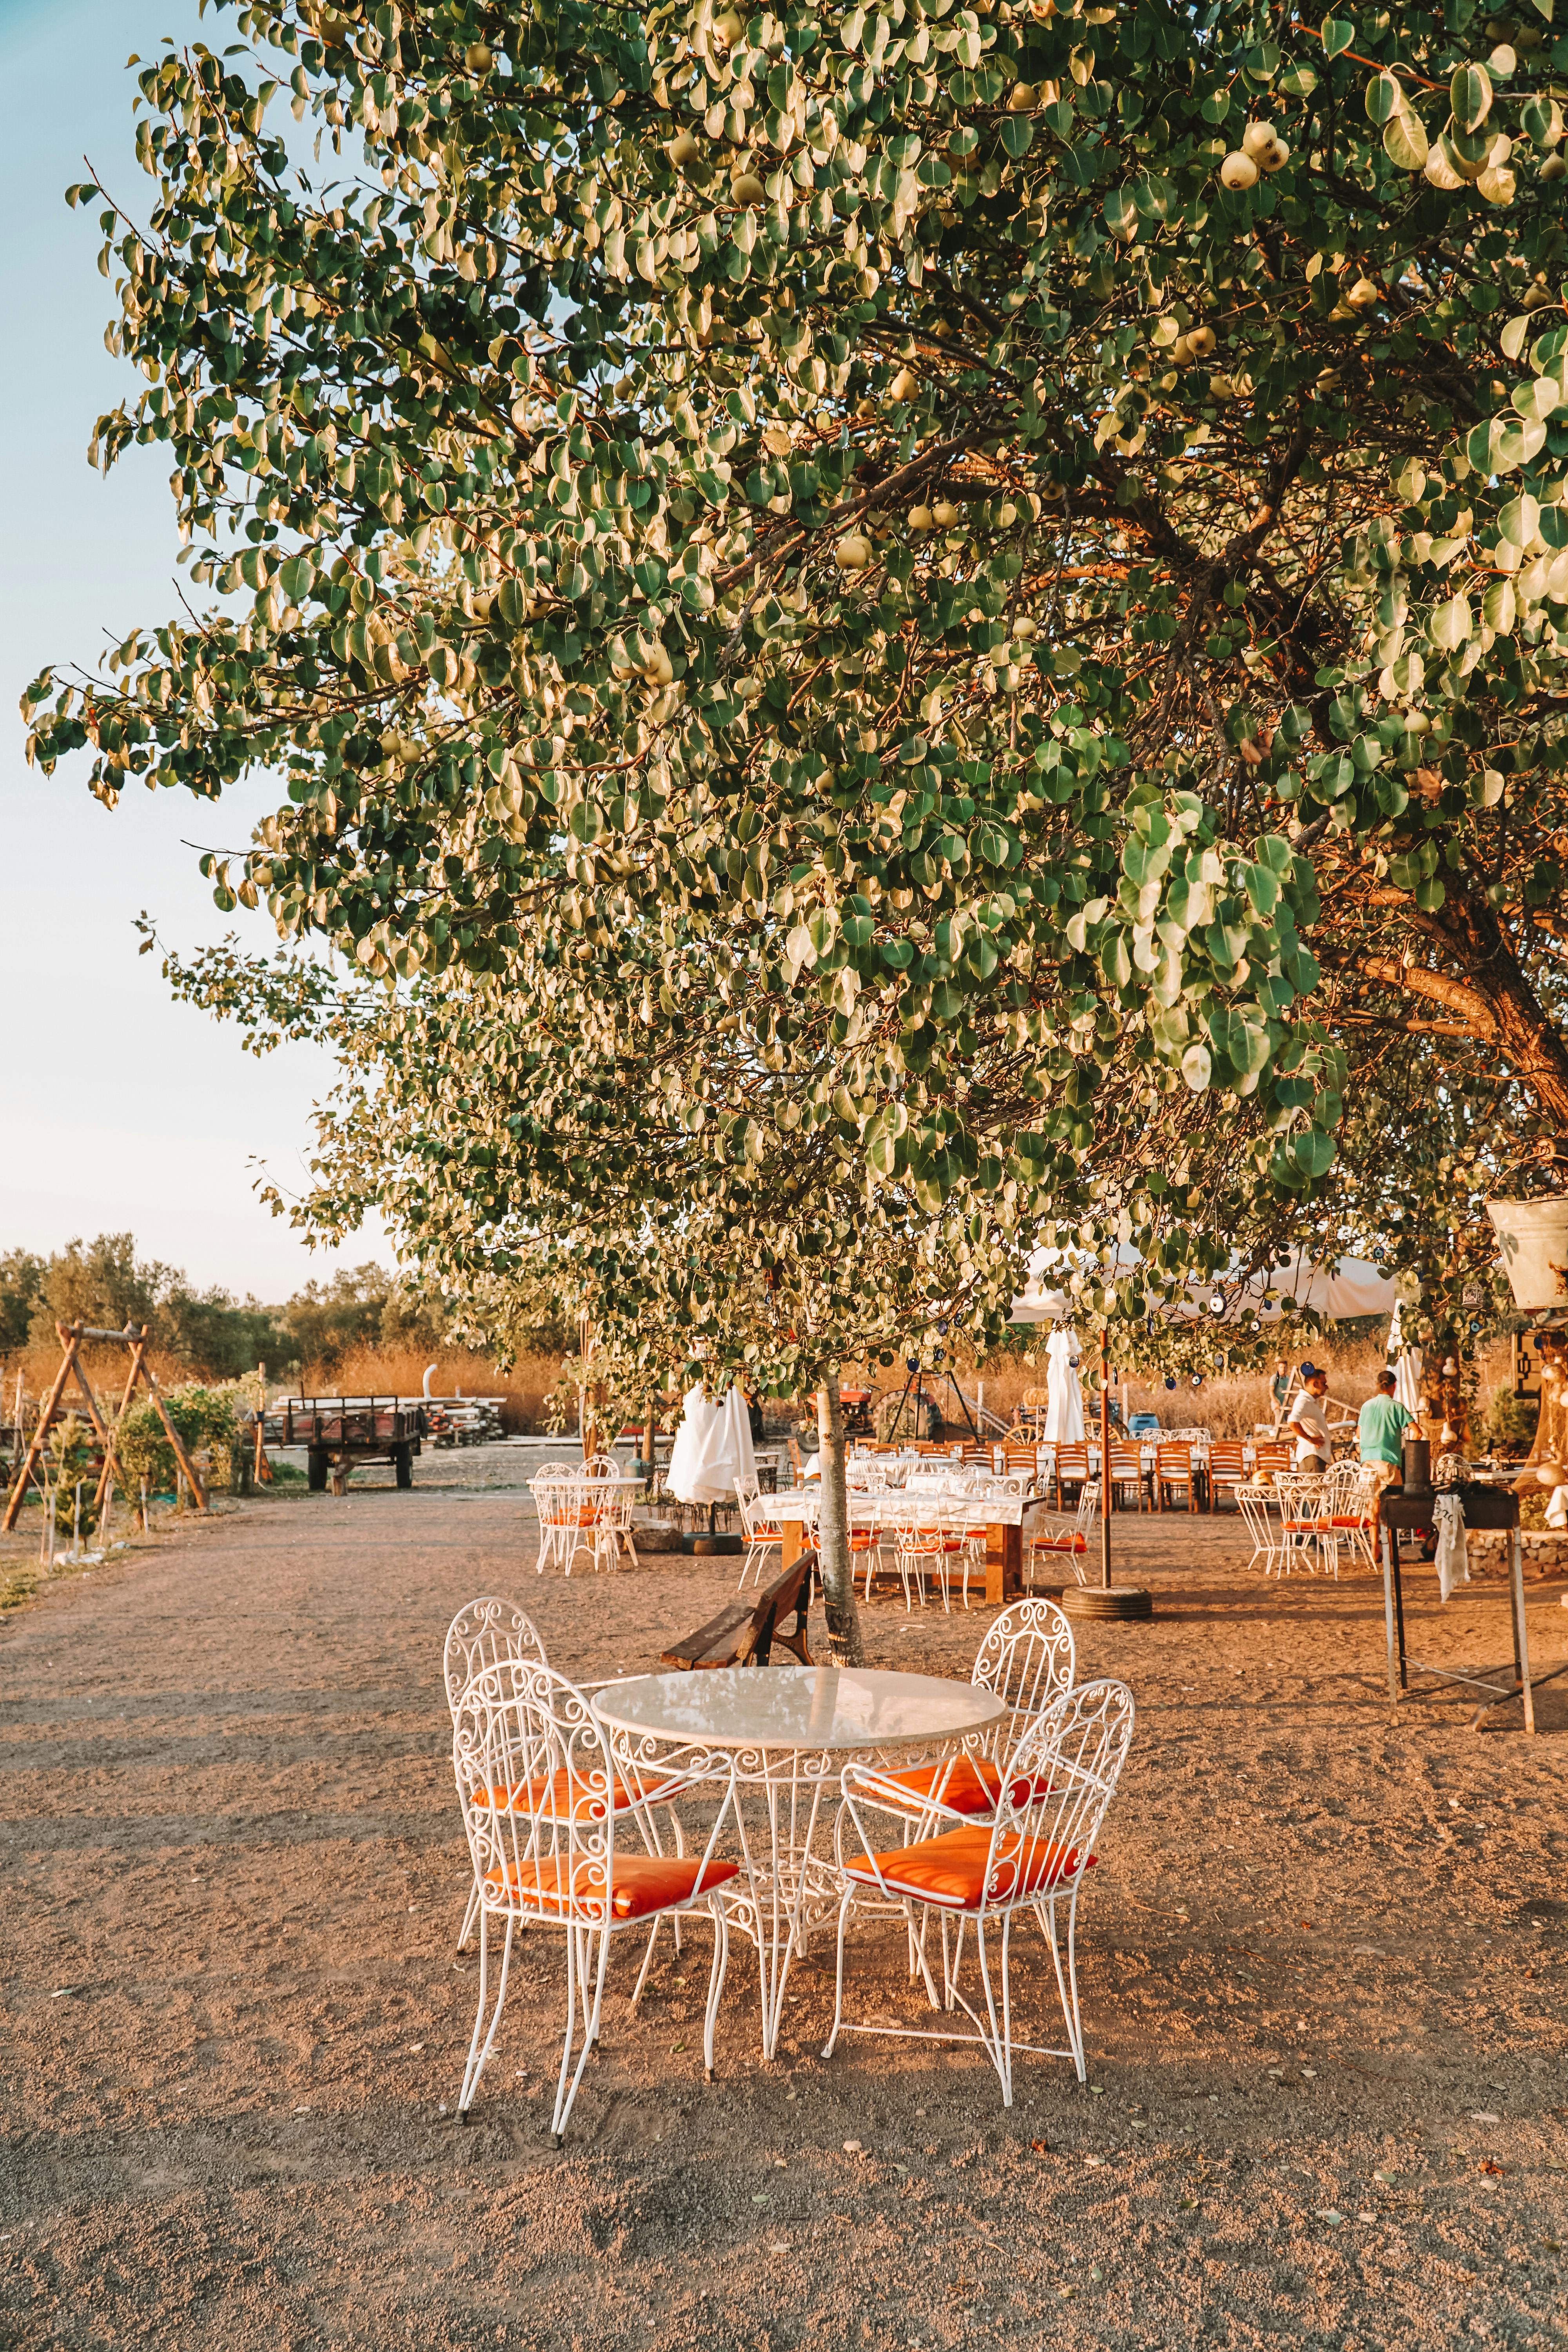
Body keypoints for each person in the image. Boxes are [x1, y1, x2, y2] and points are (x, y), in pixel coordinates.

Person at [1357, 1368, 1414, 1541]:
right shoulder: (1397, 1407)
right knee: (1391, 1507)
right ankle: (1390, 1550)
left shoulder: (1367, 1406)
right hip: (1387, 1461)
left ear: (1377, 1385)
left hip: (1367, 1462)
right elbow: (1417, 1432)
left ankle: (1375, 1547)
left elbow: (1359, 1434)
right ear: (1394, 1386)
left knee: (1372, 1504)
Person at [1286, 1363, 1332, 1472]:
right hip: (1312, 1456)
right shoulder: (1303, 1401)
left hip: (1318, 1456)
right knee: (1313, 1489)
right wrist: (1310, 1439)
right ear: (1315, 1384)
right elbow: (1292, 1422)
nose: (1327, 1387)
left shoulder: (1312, 1401)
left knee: (1318, 1489)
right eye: (1324, 1384)